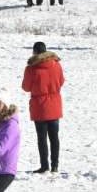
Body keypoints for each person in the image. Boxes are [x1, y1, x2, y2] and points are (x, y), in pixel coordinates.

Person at [21, 41, 64, 173]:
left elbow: (26, 87)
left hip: (39, 106)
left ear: (34, 52)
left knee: (42, 138)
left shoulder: (31, 69)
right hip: (55, 104)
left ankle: (44, 166)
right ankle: (55, 165)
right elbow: (61, 81)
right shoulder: (57, 65)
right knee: (54, 137)